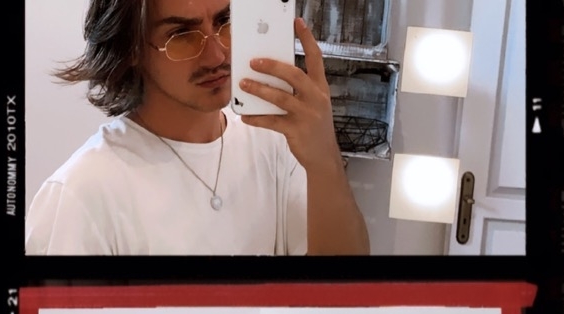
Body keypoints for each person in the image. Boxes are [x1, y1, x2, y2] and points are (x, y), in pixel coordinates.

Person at [25, 0, 370, 256]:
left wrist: (324, 160)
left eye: (225, 22)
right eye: (182, 35)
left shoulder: (275, 142)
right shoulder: (80, 193)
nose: (217, 55)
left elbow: (339, 296)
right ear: (131, 49)